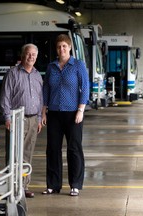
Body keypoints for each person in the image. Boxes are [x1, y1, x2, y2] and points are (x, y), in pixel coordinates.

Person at [42, 34, 89, 196]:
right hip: (54, 113)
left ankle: (75, 184)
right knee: (53, 149)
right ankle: (53, 185)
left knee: (74, 148)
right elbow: (46, 89)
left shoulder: (78, 65)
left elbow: (85, 88)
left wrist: (81, 110)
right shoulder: (51, 67)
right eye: (58, 46)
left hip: (73, 114)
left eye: (64, 46)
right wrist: (44, 111)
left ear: (69, 47)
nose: (61, 49)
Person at [0, 43, 43, 198]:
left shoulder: (38, 75)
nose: (31, 57)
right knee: (14, 154)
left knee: (27, 154)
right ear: (22, 55)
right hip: (17, 119)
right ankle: (11, 187)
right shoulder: (13, 73)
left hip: (33, 120)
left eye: (33, 54)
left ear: (36, 57)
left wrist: (39, 118)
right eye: (28, 54)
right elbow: (5, 97)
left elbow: (40, 98)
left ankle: (24, 186)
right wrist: (7, 117)